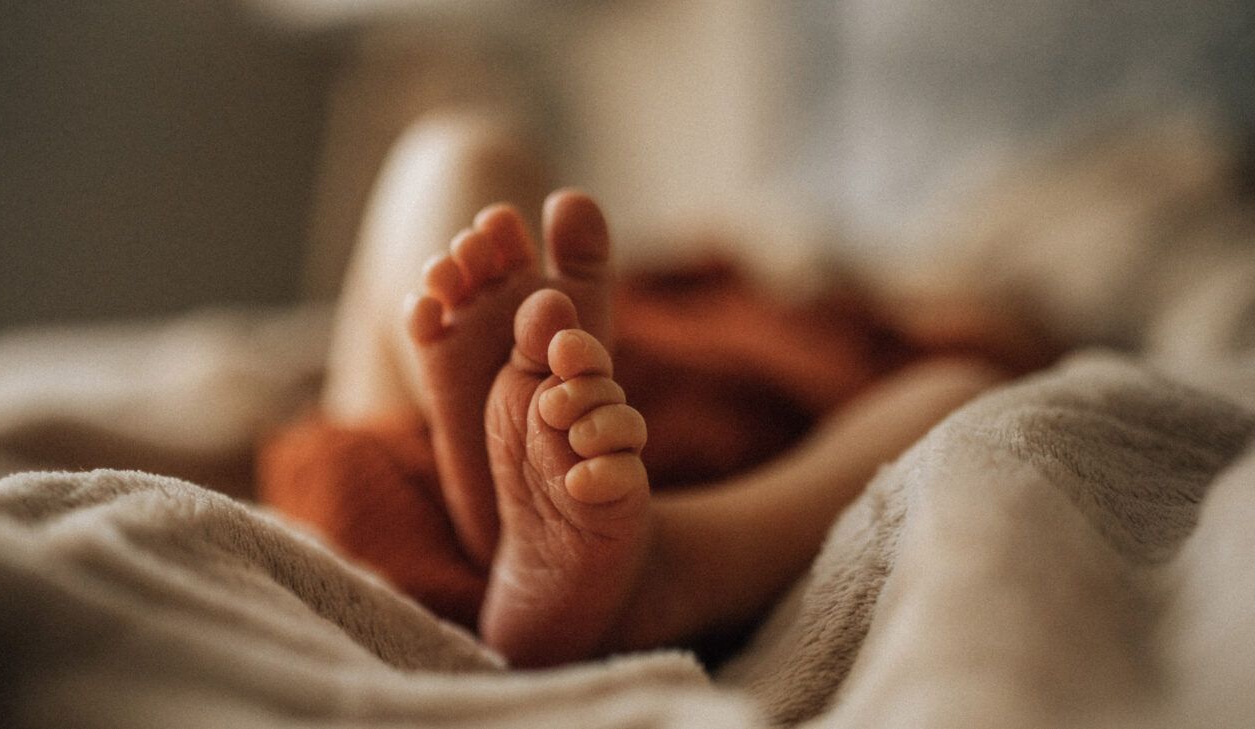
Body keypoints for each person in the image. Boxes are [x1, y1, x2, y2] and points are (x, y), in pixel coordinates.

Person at [259, 111, 1053, 667]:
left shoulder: (904, 339)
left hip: (633, 482)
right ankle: (503, 456)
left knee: (965, 390)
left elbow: (1013, 356)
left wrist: (967, 327)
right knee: (464, 158)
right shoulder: (734, 284)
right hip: (560, 434)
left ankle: (660, 558)